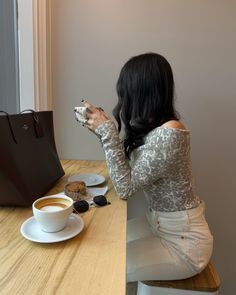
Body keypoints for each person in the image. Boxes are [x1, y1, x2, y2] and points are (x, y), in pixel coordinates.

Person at [76, 53, 213, 285]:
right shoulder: (157, 129)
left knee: (102, 268)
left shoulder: (171, 132)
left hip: (183, 244)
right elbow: (128, 175)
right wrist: (103, 134)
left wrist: (107, 132)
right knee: (103, 241)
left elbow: (125, 188)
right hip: (157, 224)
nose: (123, 100)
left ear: (140, 91)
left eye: (125, 93)